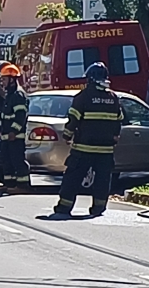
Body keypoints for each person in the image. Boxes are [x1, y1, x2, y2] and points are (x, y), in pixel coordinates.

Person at [50, 62, 123, 219]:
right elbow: (119, 121)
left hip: (84, 148)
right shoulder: (113, 98)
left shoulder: (83, 97)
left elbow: (73, 119)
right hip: (106, 150)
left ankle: (64, 206)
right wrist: (114, 138)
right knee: (102, 180)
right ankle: (98, 207)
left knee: (73, 177)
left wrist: (67, 135)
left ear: (90, 79)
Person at [0, 64, 31, 193]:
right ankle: (10, 184)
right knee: (7, 161)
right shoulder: (9, 95)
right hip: (6, 136)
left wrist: (14, 131)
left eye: (4, 79)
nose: (2, 82)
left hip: (16, 137)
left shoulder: (18, 95)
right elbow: (5, 116)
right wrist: (0, 128)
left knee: (17, 161)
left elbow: (20, 116)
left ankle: (23, 186)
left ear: (12, 80)